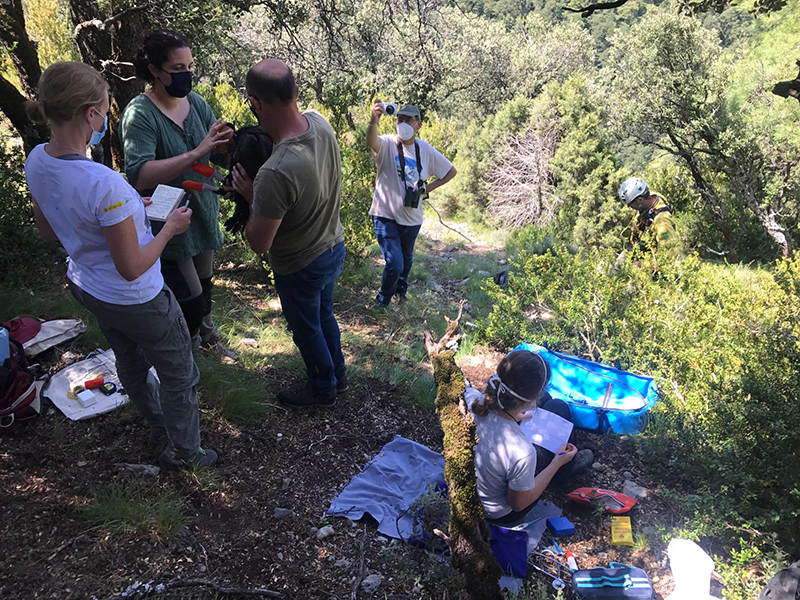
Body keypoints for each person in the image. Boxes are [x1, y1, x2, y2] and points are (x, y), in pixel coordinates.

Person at [24, 61, 217, 470]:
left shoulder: (38, 159)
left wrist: (132, 211)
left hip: (89, 286)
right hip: (136, 295)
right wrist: (169, 230)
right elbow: (132, 267)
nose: (105, 118)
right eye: (105, 109)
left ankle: (158, 425)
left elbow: (48, 229)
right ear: (90, 114)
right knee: (179, 372)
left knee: (128, 358)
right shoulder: (103, 183)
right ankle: (186, 453)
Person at [232, 59, 346, 409]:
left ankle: (322, 387)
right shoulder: (319, 123)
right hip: (333, 246)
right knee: (324, 316)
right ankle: (338, 376)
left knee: (306, 328)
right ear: (296, 92)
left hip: (300, 263)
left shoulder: (275, 172)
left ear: (255, 103)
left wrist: (253, 199)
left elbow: (258, 242)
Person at [120, 30, 233, 348]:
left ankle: (207, 336)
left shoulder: (195, 103)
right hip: (167, 220)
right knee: (189, 296)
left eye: (189, 67)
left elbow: (216, 151)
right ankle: (189, 346)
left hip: (202, 210)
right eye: (178, 69)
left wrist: (231, 143)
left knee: (205, 284)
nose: (187, 75)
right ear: (155, 70)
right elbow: (140, 175)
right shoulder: (139, 115)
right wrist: (196, 152)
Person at [471, 350, 593, 527]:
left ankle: (566, 464)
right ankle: (566, 468)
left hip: (473, 493)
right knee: (558, 407)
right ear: (533, 397)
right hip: (500, 514)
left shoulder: (473, 402)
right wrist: (556, 463)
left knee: (552, 404)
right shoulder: (522, 452)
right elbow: (518, 504)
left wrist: (515, 417)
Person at [366, 100, 457, 307]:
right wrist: (374, 120)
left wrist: (427, 189)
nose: (404, 123)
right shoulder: (388, 143)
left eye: (409, 120)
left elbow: (450, 172)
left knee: (406, 259)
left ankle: (401, 291)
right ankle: (383, 299)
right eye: (400, 119)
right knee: (394, 262)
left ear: (419, 124)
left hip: (411, 217)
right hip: (384, 214)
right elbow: (371, 142)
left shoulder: (424, 150)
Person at [618, 177, 677, 259]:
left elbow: (668, 253)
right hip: (638, 247)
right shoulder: (647, 202)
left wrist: (644, 266)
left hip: (650, 259)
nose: (629, 207)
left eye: (631, 205)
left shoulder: (662, 220)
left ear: (640, 200)